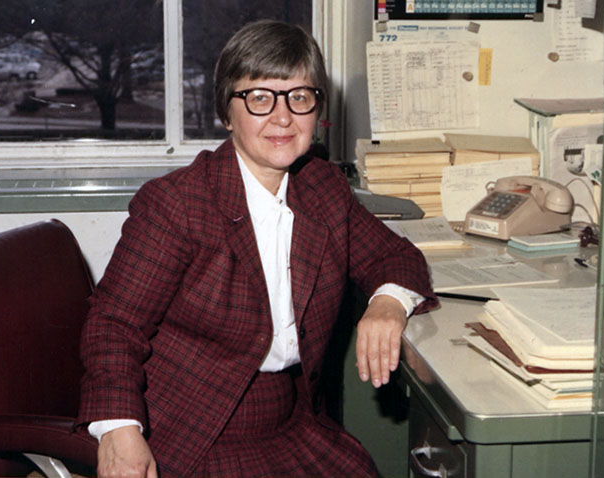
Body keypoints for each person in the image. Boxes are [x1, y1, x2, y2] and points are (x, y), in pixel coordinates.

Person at [77, 19, 438, 478]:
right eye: (260, 98)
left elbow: (396, 256)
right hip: (191, 428)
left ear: (316, 111)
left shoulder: (322, 189)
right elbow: (113, 325)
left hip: (293, 417)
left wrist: (387, 303)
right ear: (227, 113)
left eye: (299, 97)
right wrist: (119, 429)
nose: (283, 117)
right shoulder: (177, 204)